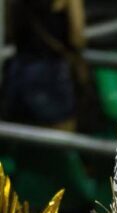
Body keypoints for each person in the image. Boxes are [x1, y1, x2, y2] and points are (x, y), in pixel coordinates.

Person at [2, 0, 85, 130]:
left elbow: (10, 30)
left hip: (18, 70)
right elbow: (77, 36)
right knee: (61, 139)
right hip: (51, 72)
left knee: (22, 140)